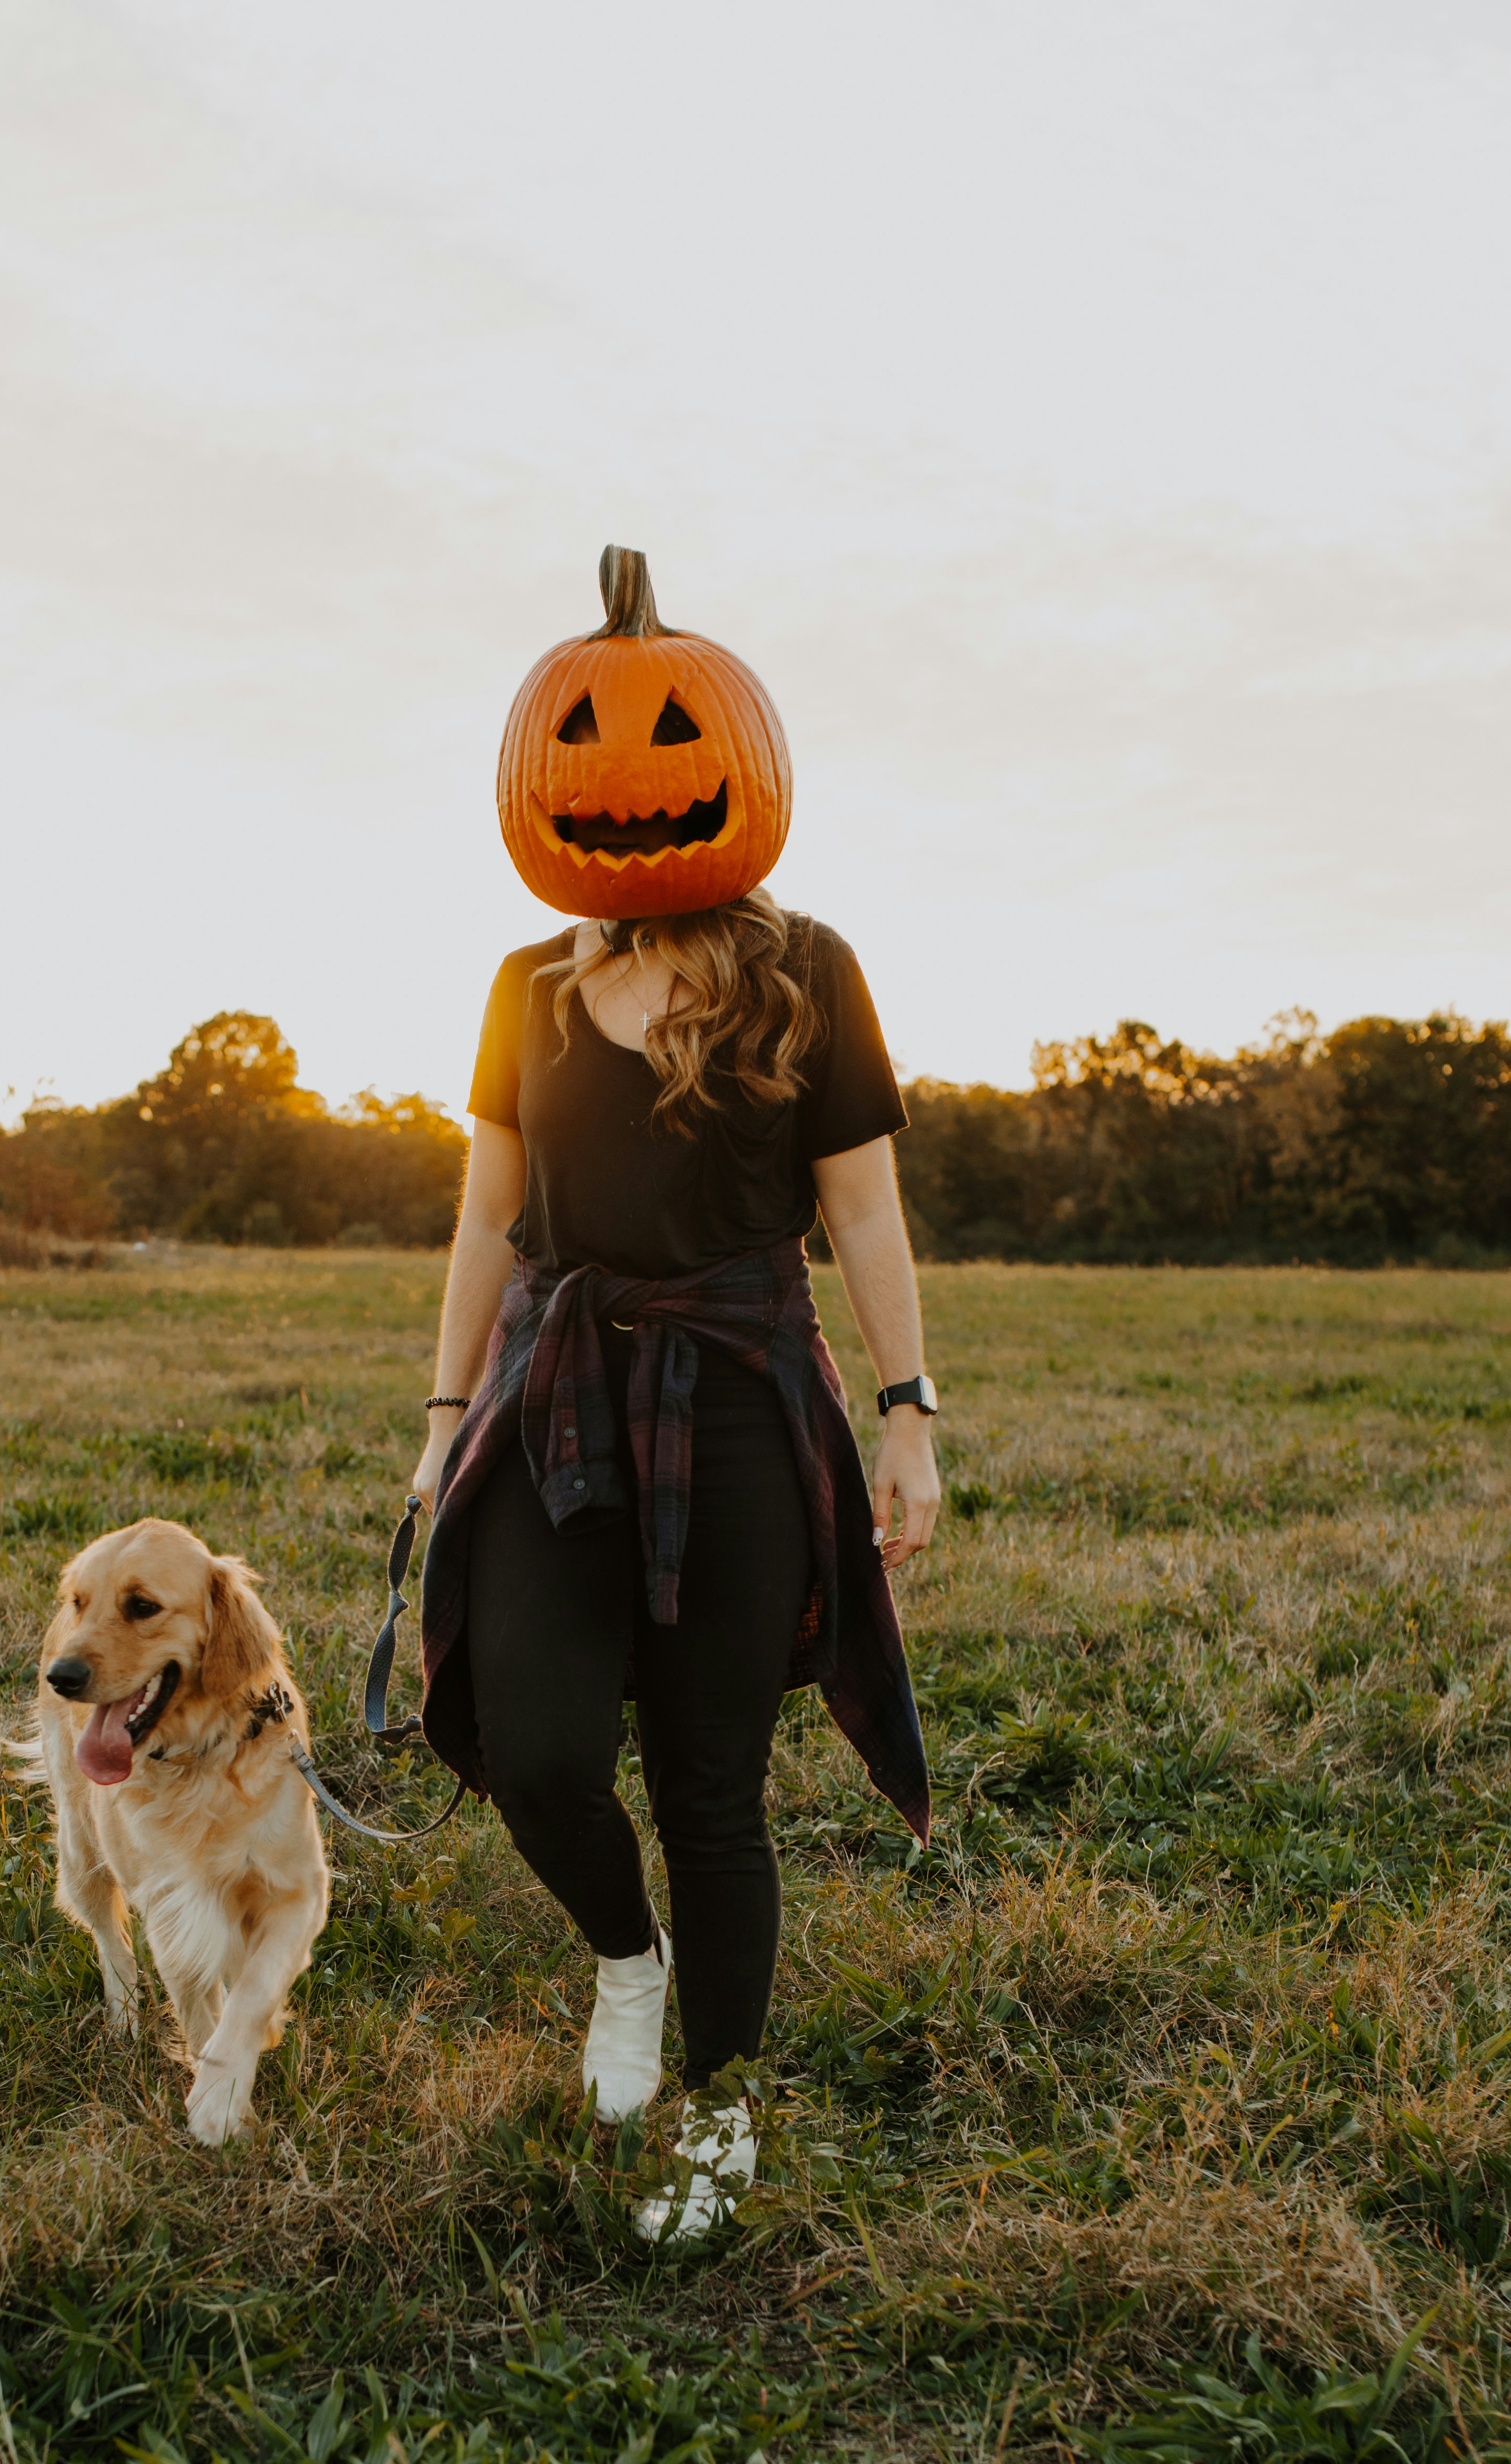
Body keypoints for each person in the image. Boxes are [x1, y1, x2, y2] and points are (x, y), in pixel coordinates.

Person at [412, 553, 938, 2239]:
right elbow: (487, 1214)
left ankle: (724, 2108)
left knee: (712, 1787)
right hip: (553, 1400)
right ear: (542, 781)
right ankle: (621, 1965)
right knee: (536, 1745)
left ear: (734, 764)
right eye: (584, 735)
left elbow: (860, 1207)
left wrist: (910, 1408)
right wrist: (440, 1430)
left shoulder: (809, 971)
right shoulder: (527, 989)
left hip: (734, 1400)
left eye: (657, 734)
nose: (624, 774)